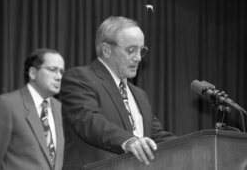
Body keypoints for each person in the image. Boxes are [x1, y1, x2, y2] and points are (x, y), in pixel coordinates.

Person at [61, 16, 176, 170]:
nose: (138, 58)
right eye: (131, 50)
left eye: (141, 51)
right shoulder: (79, 78)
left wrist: (196, 144)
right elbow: (89, 121)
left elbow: (156, 136)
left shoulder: (139, 94)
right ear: (107, 50)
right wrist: (129, 141)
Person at [0, 48, 65, 170]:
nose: (59, 77)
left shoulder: (61, 108)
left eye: (61, 72)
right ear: (32, 73)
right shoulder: (6, 105)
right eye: (53, 70)